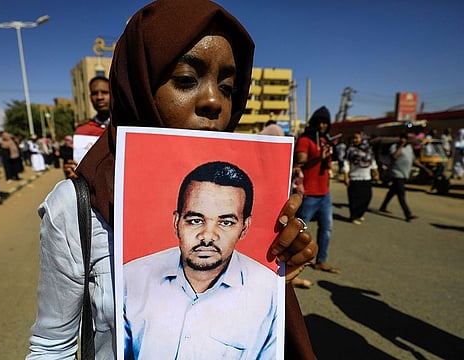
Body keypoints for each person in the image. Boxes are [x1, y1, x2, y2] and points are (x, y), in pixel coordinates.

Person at [27, 1, 318, 359]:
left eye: (227, 87)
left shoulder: (247, 194)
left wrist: (276, 267)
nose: (213, 100)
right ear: (138, 82)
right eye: (185, 79)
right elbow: (51, 347)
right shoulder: (76, 207)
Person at [124, 161, 277, 359]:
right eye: (196, 220)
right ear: (176, 222)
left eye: (226, 222)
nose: (207, 236)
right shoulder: (131, 278)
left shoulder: (270, 292)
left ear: (244, 228)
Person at [295, 106, 340, 274]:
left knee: (326, 228)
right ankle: (292, 262)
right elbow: (300, 162)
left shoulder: (325, 140)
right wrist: (317, 158)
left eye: (325, 123)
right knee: (300, 230)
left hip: (324, 193)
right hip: (309, 193)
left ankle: (321, 260)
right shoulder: (306, 140)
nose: (322, 126)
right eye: (320, 122)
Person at [379, 132, 433, 221]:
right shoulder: (394, 147)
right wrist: (400, 146)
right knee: (401, 194)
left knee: (392, 191)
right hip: (396, 173)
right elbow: (394, 156)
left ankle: (383, 206)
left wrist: (425, 169)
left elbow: (413, 160)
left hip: (405, 173)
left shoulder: (409, 148)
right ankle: (407, 213)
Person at [343, 132, 379, 224]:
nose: (355, 140)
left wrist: (376, 173)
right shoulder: (350, 150)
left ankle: (360, 214)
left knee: (367, 197)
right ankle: (353, 217)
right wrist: (346, 177)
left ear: (363, 138)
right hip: (354, 177)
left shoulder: (369, 150)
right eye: (354, 138)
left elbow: (373, 162)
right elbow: (346, 163)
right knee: (354, 199)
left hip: (366, 177)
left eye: (357, 138)